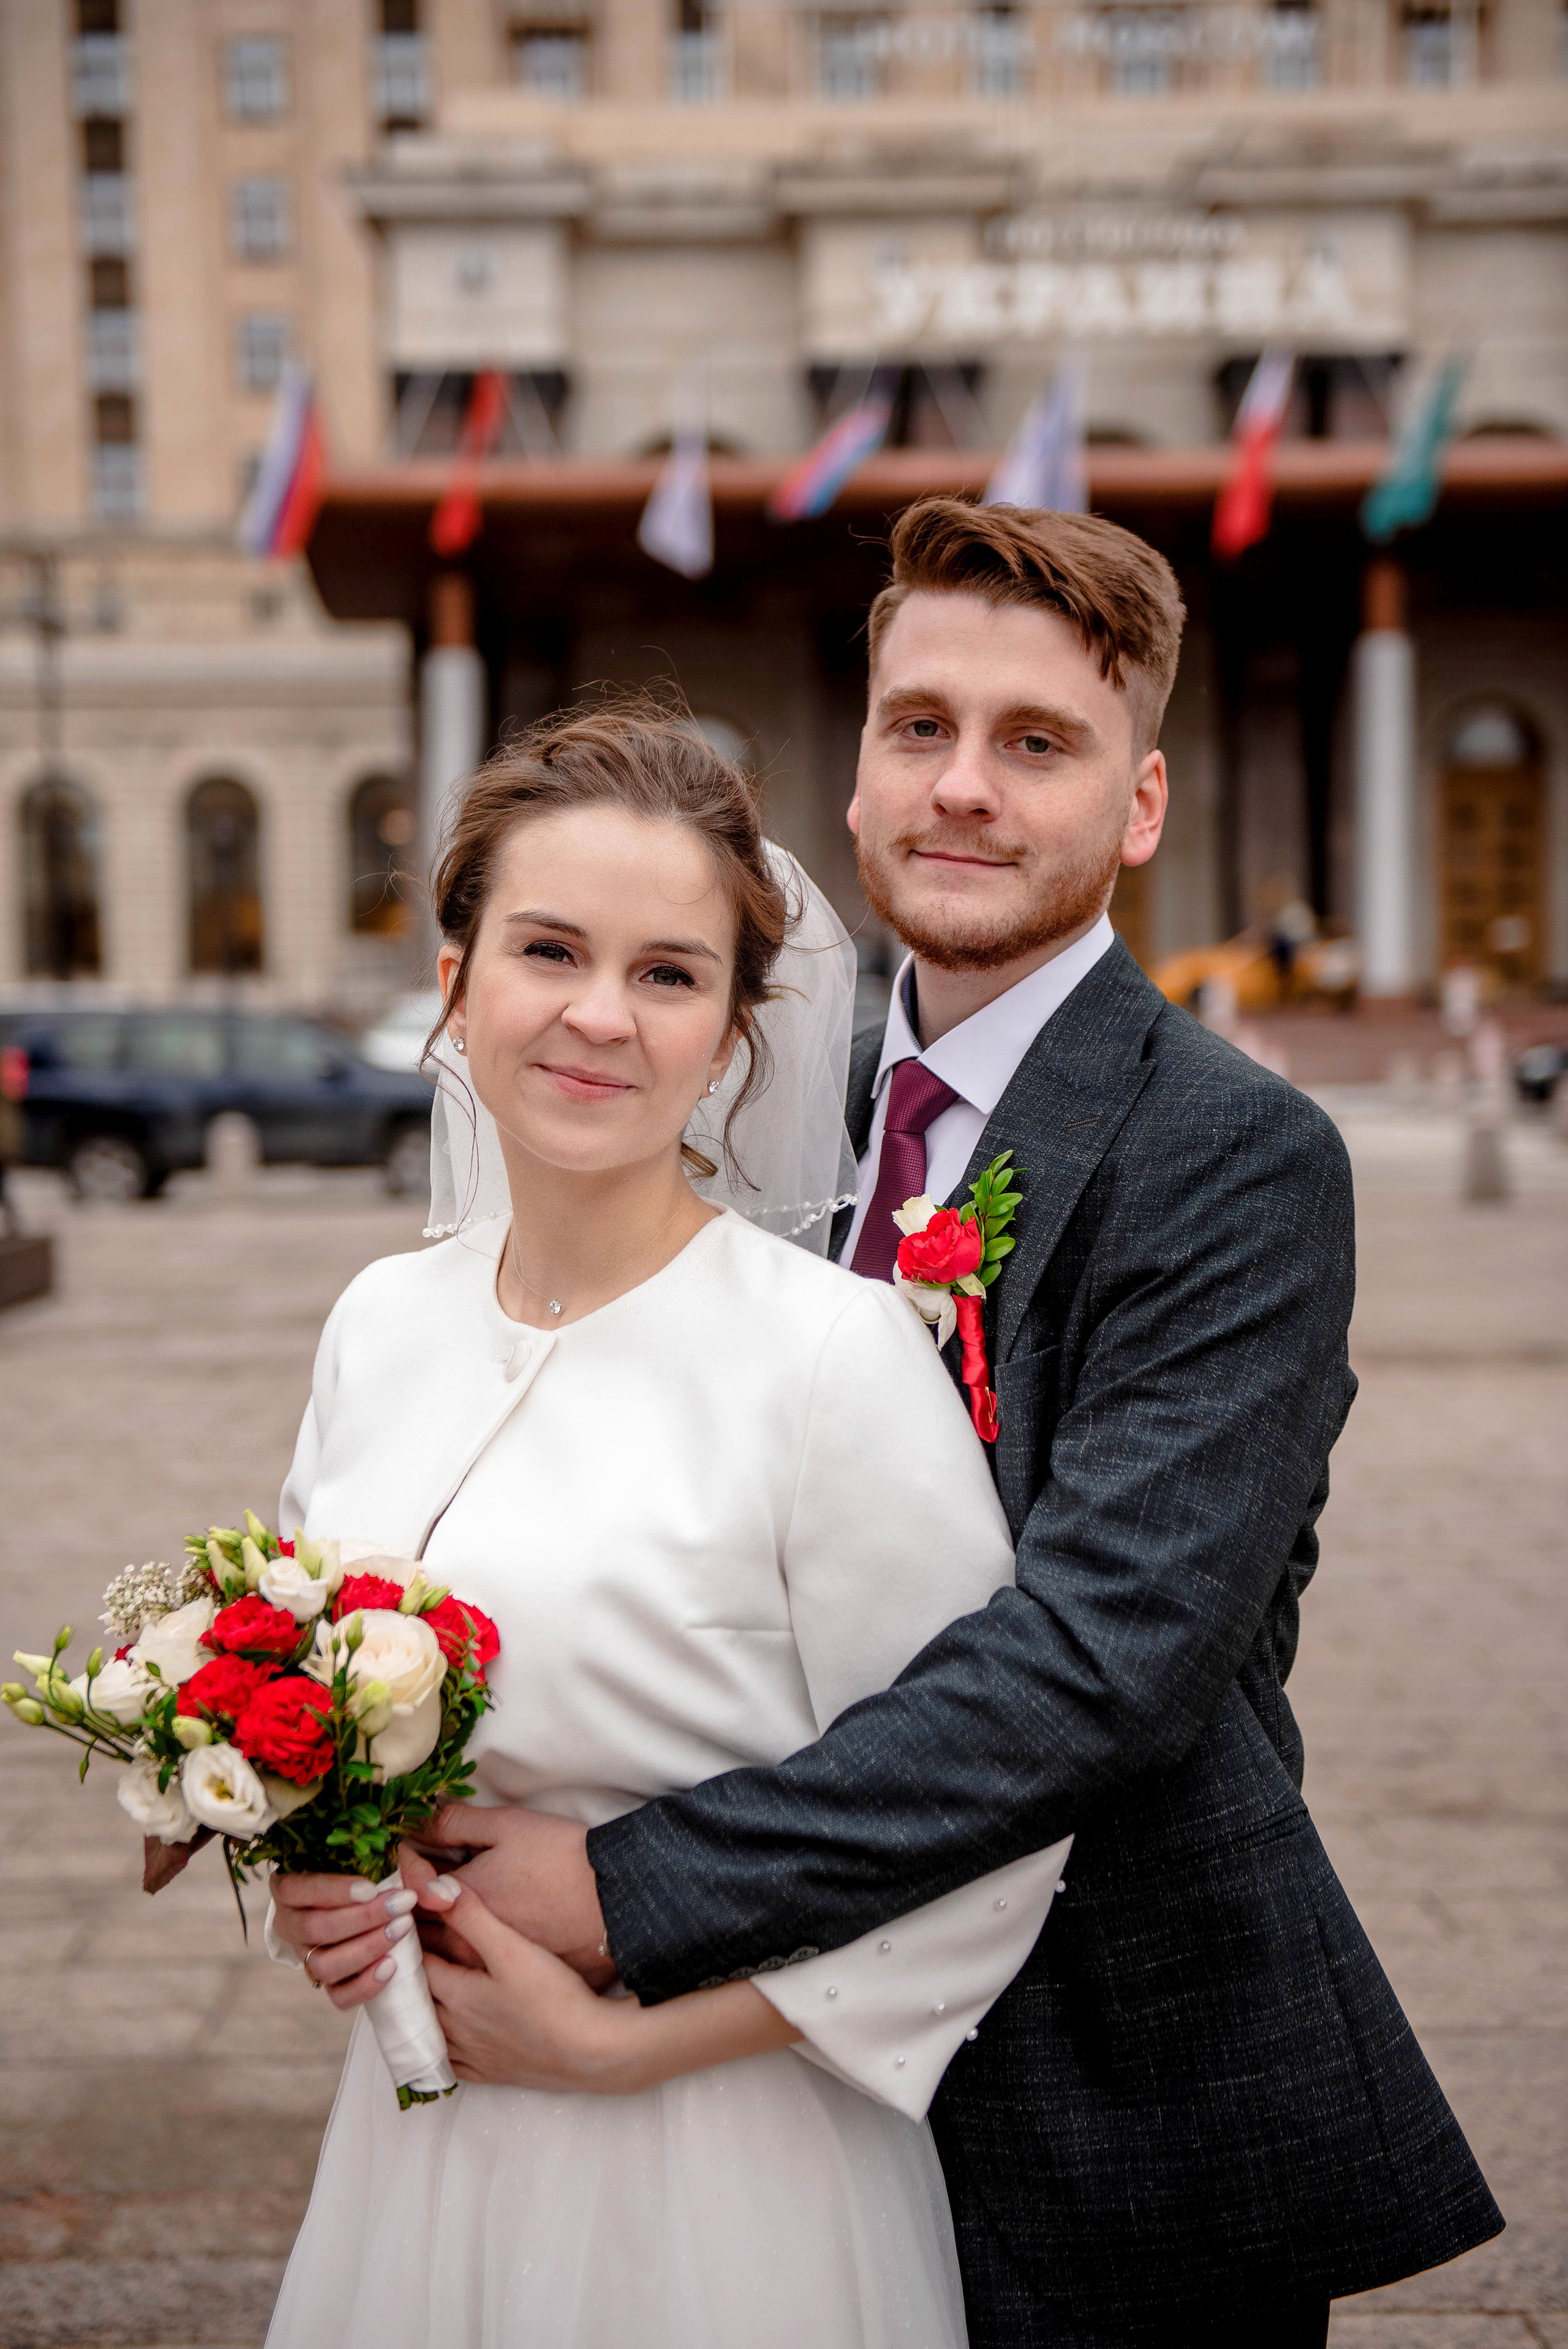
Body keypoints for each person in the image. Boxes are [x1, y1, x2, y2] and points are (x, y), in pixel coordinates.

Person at [369, 500, 1504, 2345]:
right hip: (751, 2085)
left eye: (1037, 742)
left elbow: (1098, 1664)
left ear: (1139, 805)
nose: (964, 785)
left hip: (1099, 2083)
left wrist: (626, 1888)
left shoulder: (1236, 1156)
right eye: (922, 727)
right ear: (859, 768)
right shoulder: (740, 1097)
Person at [263, 706, 1073, 2348]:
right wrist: (311, 1869)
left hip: (727, 2173)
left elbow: (988, 1820)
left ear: (735, 1029)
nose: (596, 1017)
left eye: (667, 972)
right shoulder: (377, 1320)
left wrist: (627, 2047)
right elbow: (308, 1688)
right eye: (547, 948)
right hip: (423, 2146)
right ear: (455, 976)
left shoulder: (829, 1355)